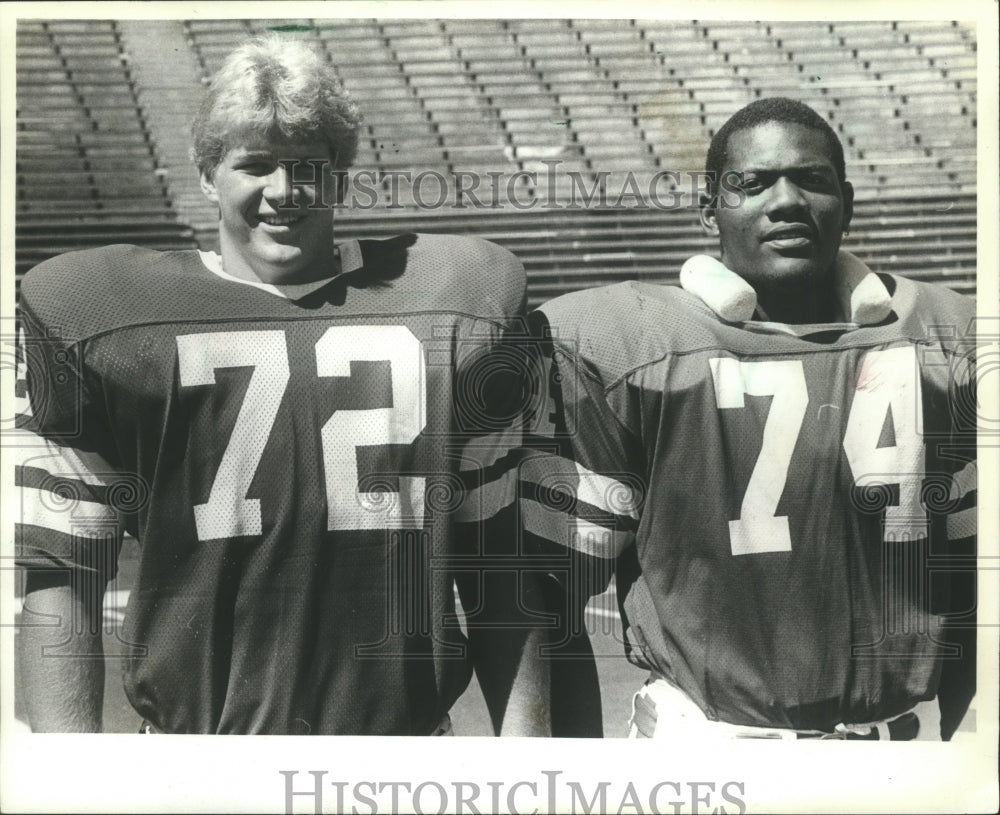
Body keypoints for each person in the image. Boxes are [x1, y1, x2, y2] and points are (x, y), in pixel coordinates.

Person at [14, 34, 548, 736]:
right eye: (255, 164)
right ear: (208, 175)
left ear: (342, 175)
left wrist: (530, 759)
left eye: (309, 166)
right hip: (197, 758)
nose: (285, 191)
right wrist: (68, 777)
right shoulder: (100, 314)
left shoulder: (457, 298)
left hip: (399, 756)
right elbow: (63, 573)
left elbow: (498, 564)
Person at [491, 97, 977, 740]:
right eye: (751, 183)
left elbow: (978, 593)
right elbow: (546, 598)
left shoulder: (948, 341)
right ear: (708, 209)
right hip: (704, 756)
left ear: (848, 203)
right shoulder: (627, 347)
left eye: (811, 179)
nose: (786, 201)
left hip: (896, 752)